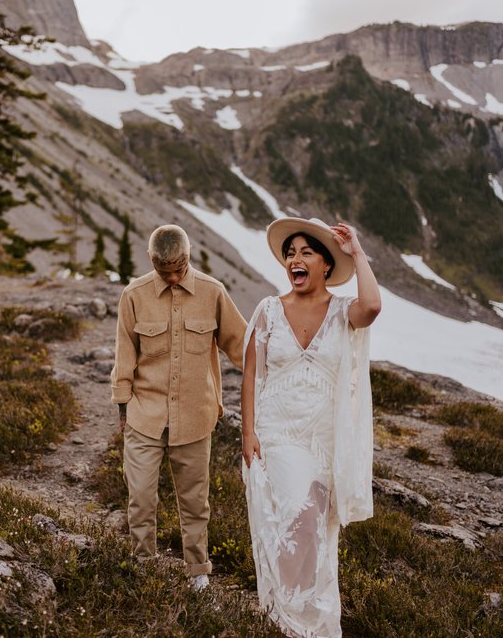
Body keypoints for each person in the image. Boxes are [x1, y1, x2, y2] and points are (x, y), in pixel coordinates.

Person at [241, 218, 381, 637]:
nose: (294, 259)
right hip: (277, 435)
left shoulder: (343, 312)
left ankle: (309, 623)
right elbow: (250, 374)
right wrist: (248, 433)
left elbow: (372, 306)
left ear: (325, 265)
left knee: (315, 535)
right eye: (290, 253)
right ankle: (289, 622)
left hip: (323, 442)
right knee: (289, 525)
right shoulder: (268, 310)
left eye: (305, 252)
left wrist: (357, 250)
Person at [111, 224, 247, 591]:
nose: (172, 276)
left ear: (189, 256)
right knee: (139, 496)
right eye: (164, 270)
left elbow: (243, 348)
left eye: (180, 268)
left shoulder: (213, 292)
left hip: (194, 416)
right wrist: (123, 409)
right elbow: (124, 356)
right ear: (152, 261)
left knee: (194, 502)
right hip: (145, 415)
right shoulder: (133, 295)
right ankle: (143, 565)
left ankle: (198, 572)